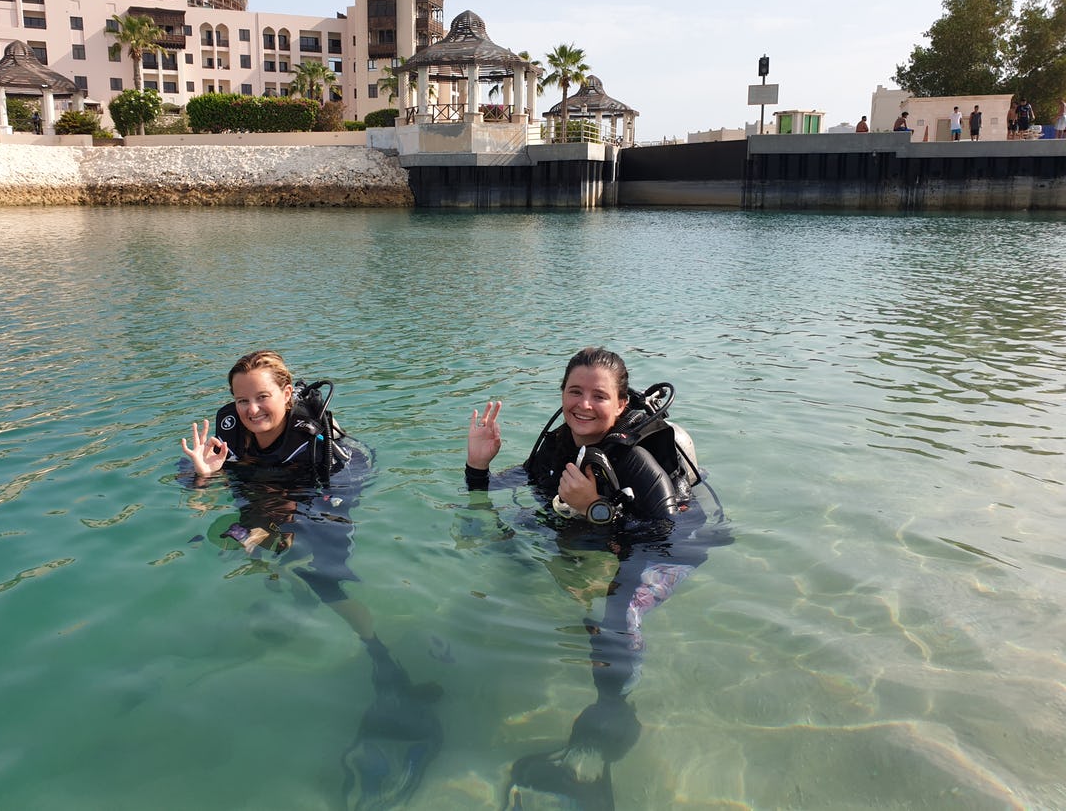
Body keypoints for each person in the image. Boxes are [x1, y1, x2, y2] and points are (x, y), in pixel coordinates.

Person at [464, 347, 729, 808]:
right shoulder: (560, 442)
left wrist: (597, 511)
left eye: (598, 396)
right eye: (574, 392)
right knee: (494, 537)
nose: (584, 404)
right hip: (601, 535)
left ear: (621, 404)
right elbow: (531, 481)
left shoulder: (635, 459)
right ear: (562, 394)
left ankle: (611, 713)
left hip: (672, 548)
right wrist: (479, 466)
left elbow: (666, 534)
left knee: (618, 616)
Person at [181, 350, 441, 809]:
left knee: (323, 576)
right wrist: (202, 478)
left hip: (330, 486)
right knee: (242, 543)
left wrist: (288, 522)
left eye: (263, 397)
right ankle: (285, 588)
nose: (252, 409)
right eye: (242, 400)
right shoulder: (229, 433)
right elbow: (205, 488)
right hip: (267, 486)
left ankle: (379, 653)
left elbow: (337, 489)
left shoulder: (313, 438)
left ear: (285, 393)